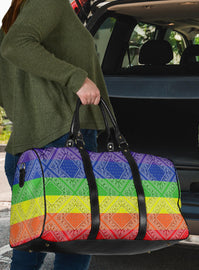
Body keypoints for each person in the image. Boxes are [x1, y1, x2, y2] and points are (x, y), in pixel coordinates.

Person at [0, 0, 113, 269]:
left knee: (30, 246)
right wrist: (76, 78)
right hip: (65, 142)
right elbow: (16, 45)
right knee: (76, 241)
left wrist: (28, 116)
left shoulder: (12, 18)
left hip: (28, 146)